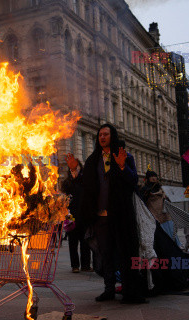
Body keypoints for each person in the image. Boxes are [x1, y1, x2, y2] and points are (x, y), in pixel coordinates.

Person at [80, 123, 146, 304]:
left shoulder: (126, 156)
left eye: (106, 134)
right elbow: (85, 187)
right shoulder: (93, 160)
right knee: (105, 255)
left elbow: (134, 181)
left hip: (121, 216)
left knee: (125, 253)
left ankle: (129, 289)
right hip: (101, 217)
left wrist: (123, 166)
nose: (102, 137)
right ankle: (108, 289)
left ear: (113, 136)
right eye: (100, 134)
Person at [61, 153, 92, 273]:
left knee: (85, 242)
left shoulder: (85, 181)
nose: (75, 170)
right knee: (72, 243)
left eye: (77, 167)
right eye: (73, 168)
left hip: (84, 215)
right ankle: (75, 265)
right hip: (72, 217)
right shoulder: (67, 183)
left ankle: (85, 264)